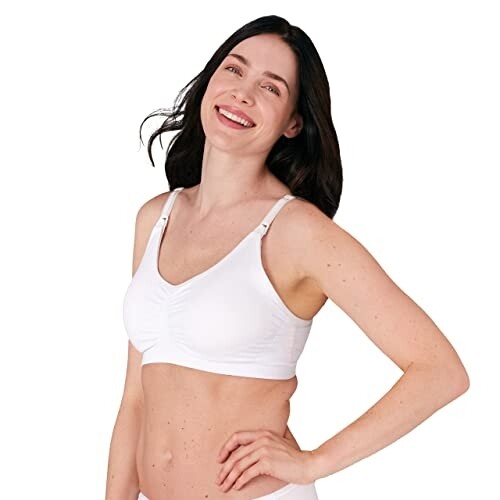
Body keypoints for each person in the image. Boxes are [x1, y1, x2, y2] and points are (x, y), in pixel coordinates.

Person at [105, 15, 469, 500]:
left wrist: (315, 461)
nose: (243, 93)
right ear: (210, 81)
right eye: (234, 70)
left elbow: (440, 371)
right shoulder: (156, 217)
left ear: (293, 122)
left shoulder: (297, 232)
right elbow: (134, 400)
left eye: (270, 88)